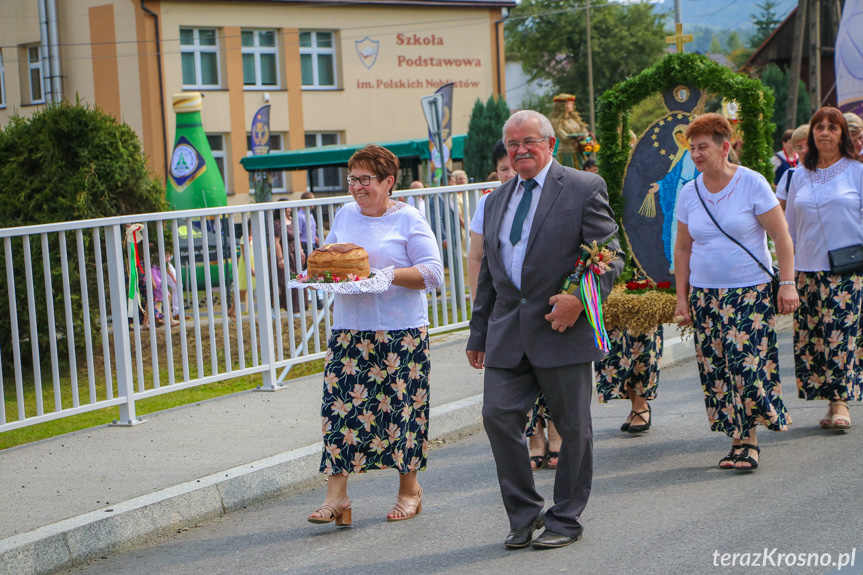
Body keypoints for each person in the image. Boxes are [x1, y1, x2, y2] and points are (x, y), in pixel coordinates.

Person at [467, 110, 623, 549]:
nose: (520, 151)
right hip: (506, 333)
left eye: (529, 142)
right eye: (513, 144)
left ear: (549, 144)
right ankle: (524, 513)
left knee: (573, 428)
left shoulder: (581, 187)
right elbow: (490, 276)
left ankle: (565, 519)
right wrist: (478, 333)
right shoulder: (496, 200)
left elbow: (609, 254)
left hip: (562, 328)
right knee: (497, 416)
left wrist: (579, 300)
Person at [307, 145, 443, 527]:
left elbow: (433, 273)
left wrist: (387, 275)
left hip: (401, 333)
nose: (357, 187)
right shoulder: (345, 214)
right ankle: (337, 497)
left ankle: (409, 490)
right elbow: (335, 260)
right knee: (339, 413)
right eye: (353, 178)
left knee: (402, 412)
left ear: (388, 182)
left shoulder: (409, 220)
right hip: (349, 332)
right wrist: (321, 277)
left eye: (366, 179)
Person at [674, 113, 798, 471]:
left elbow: (781, 236)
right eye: (692, 148)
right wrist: (682, 299)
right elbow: (683, 248)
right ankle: (736, 438)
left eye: (703, 147)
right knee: (717, 369)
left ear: (724, 147)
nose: (696, 154)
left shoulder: (752, 183)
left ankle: (750, 439)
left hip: (749, 292)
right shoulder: (689, 191)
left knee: (746, 366)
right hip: (705, 295)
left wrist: (787, 284)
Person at [784, 107, 863, 430]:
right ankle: (830, 399)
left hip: (848, 270)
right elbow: (787, 228)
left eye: (833, 127)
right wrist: (786, 275)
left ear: (843, 134)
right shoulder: (798, 175)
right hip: (806, 269)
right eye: (820, 127)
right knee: (815, 338)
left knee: (841, 336)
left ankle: (841, 401)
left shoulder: (857, 171)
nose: (825, 132)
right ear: (812, 135)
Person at [775, 124, 810, 210]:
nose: (804, 151)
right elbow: (780, 208)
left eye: (808, 146)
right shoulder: (790, 175)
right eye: (799, 147)